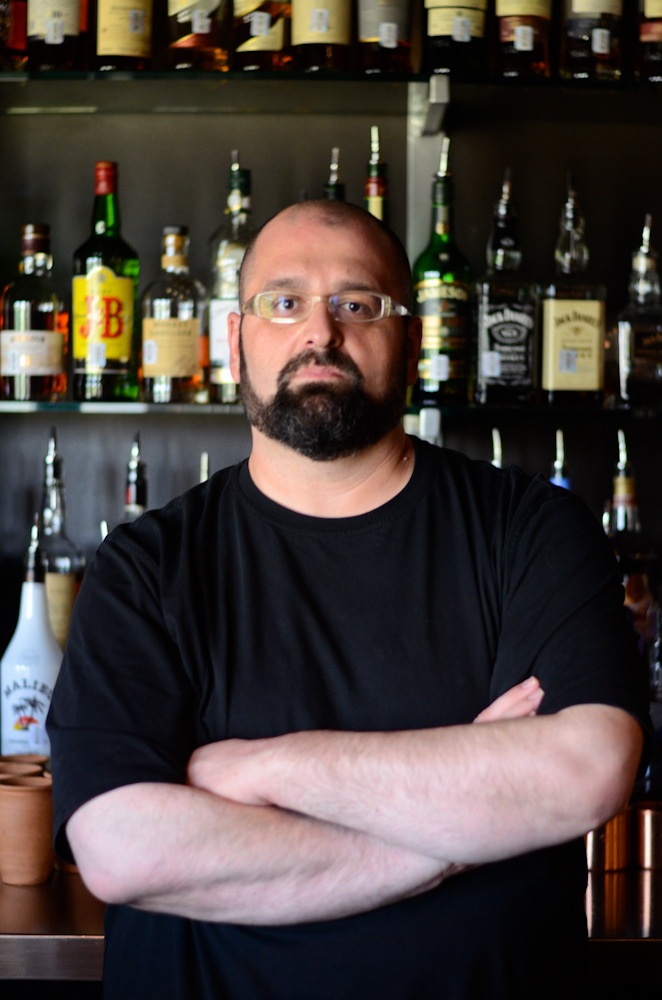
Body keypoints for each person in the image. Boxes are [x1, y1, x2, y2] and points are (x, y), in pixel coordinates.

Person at [49, 200, 648, 1000]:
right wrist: (457, 837)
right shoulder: (145, 568)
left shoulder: (531, 530)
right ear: (235, 339)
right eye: (284, 301)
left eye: (357, 304)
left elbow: (585, 771)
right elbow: (124, 850)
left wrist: (259, 767)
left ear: (411, 339)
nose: (320, 332)